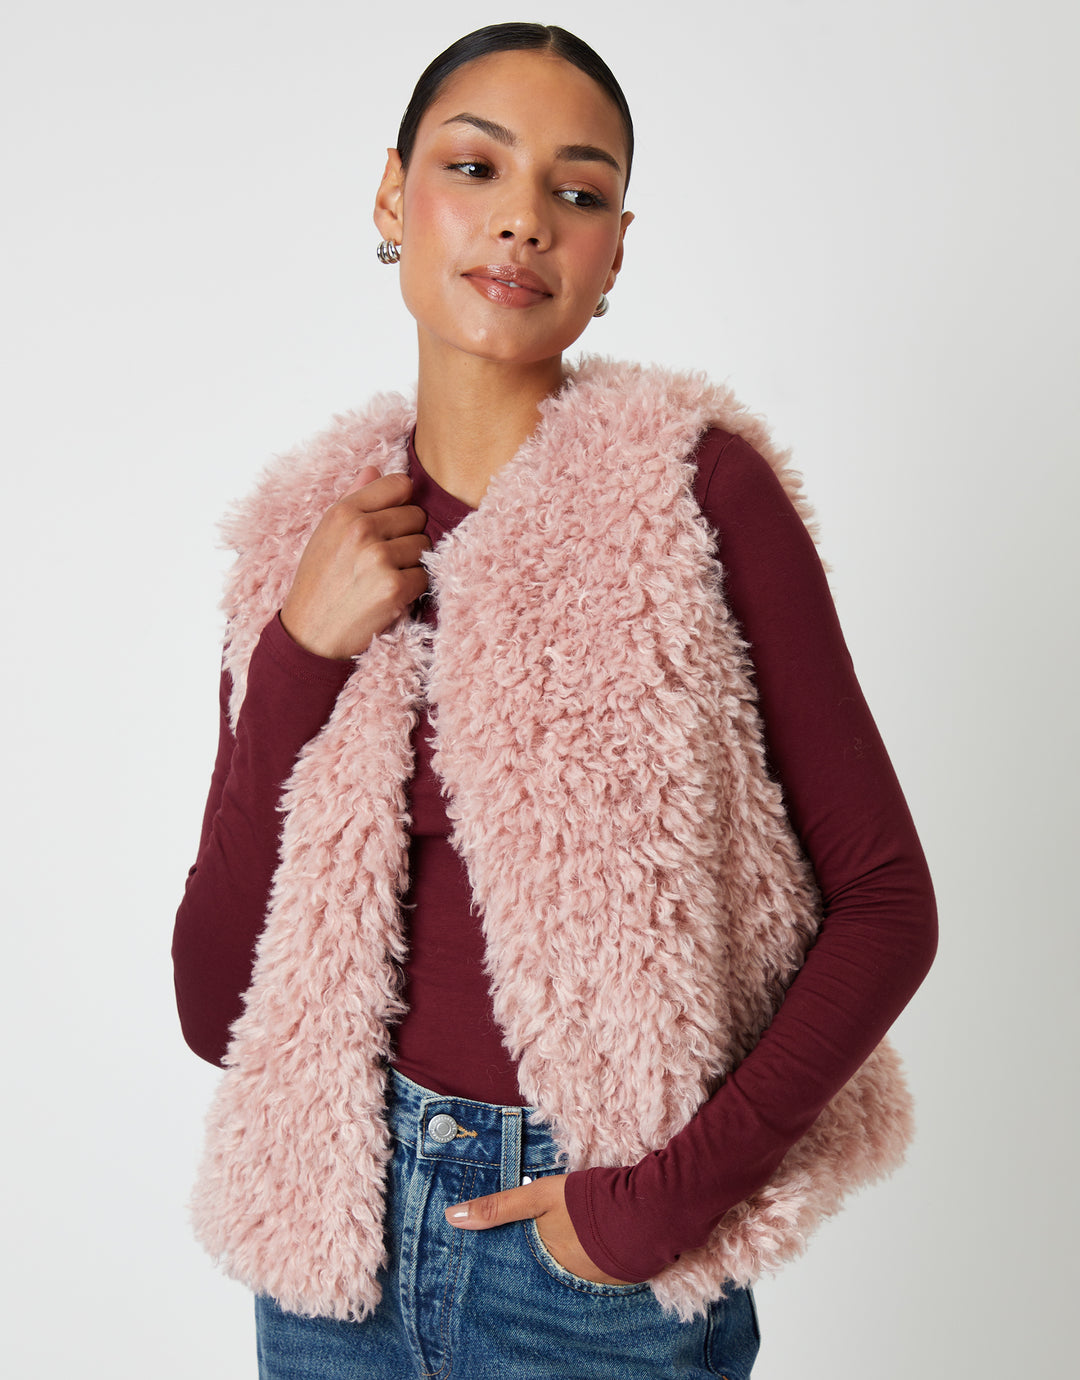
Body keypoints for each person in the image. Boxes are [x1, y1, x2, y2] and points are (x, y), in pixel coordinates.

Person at [173, 22, 937, 1380]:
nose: (523, 219)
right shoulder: (302, 536)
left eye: (575, 191)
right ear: (391, 195)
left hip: (588, 1271)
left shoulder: (690, 494)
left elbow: (887, 905)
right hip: (333, 1244)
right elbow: (213, 997)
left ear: (614, 252)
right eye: (476, 167)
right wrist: (298, 652)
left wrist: (651, 1209)